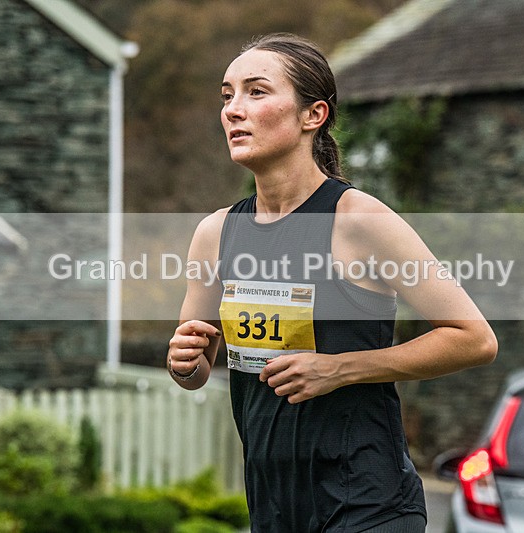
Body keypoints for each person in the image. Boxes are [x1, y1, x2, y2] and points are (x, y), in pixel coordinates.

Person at [167, 33, 497, 533]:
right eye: (227, 95)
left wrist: (340, 368)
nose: (234, 109)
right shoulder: (215, 233)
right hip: (273, 505)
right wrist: (184, 361)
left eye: (256, 92)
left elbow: (474, 339)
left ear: (312, 115)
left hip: (367, 502)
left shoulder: (359, 220)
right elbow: (196, 368)